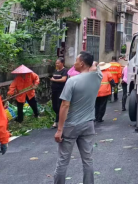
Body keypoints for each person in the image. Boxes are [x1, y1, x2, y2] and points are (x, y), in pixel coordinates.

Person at [53, 51, 101, 184]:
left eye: (76, 60)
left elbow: (64, 105)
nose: (74, 63)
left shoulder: (72, 81)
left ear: (82, 63)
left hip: (71, 126)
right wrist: (92, 63)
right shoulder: (98, 77)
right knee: (88, 160)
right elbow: (95, 64)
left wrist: (59, 129)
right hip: (88, 124)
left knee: (63, 161)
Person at [50, 58, 69, 128]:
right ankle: (62, 118)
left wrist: (54, 80)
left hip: (61, 91)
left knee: (59, 106)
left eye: (58, 63)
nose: (56, 64)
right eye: (56, 63)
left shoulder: (65, 71)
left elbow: (63, 79)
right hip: (54, 90)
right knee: (54, 106)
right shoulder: (56, 70)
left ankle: (57, 121)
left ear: (62, 63)